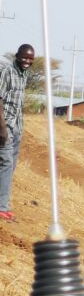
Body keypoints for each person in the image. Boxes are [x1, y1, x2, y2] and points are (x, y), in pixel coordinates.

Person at [0, 44, 35, 221]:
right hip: (5, 126)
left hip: (17, 126)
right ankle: (2, 207)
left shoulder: (24, 74)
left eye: (30, 58)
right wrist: (2, 128)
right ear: (17, 56)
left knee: (9, 166)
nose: (27, 61)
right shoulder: (7, 72)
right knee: (5, 163)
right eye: (24, 57)